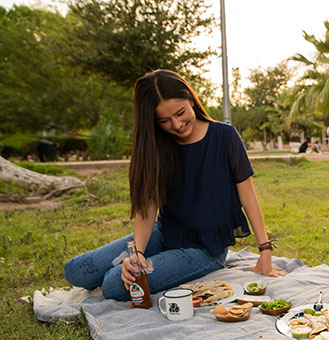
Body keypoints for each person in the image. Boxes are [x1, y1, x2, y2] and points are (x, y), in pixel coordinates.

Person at [65, 69, 285, 302]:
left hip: (205, 249)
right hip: (165, 233)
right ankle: (151, 259)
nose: (177, 124)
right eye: (164, 120)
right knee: (77, 271)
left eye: (180, 113)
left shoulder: (225, 136)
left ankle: (153, 265)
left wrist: (265, 251)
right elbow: (148, 204)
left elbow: (248, 195)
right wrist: (137, 253)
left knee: (112, 286)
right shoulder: (156, 147)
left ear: (191, 100)